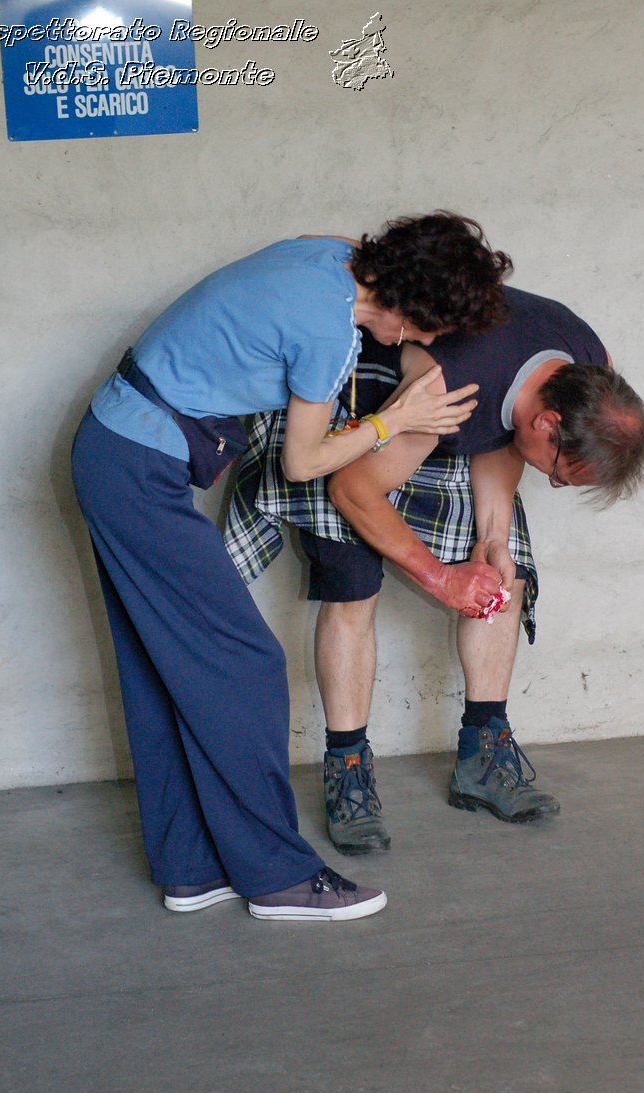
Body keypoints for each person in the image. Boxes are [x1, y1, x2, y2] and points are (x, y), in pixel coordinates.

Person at [71, 213, 513, 920]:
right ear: (409, 307)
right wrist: (391, 424)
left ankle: (189, 868)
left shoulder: (332, 253)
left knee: (164, 671)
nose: (426, 343)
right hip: (135, 467)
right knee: (245, 663)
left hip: (117, 449)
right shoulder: (329, 332)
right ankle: (276, 876)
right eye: (429, 327)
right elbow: (303, 462)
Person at [225, 284, 644, 855]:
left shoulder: (585, 363)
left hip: (447, 418)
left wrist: (494, 538)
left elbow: (502, 428)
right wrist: (438, 577)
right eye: (559, 473)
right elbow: (352, 488)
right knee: (353, 587)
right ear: (550, 424)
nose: (553, 483)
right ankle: (348, 767)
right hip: (356, 418)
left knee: (504, 575)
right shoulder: (449, 387)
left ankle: (483, 753)